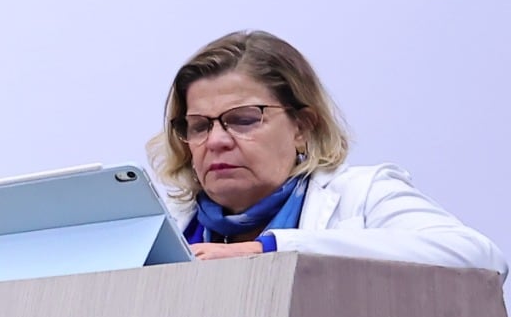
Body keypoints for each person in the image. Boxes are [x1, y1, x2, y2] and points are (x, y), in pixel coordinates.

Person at [152, 30, 506, 277]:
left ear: (302, 127)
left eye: (242, 120)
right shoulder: (170, 227)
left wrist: (272, 250)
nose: (215, 141)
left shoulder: (362, 194)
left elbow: (478, 257)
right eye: (199, 126)